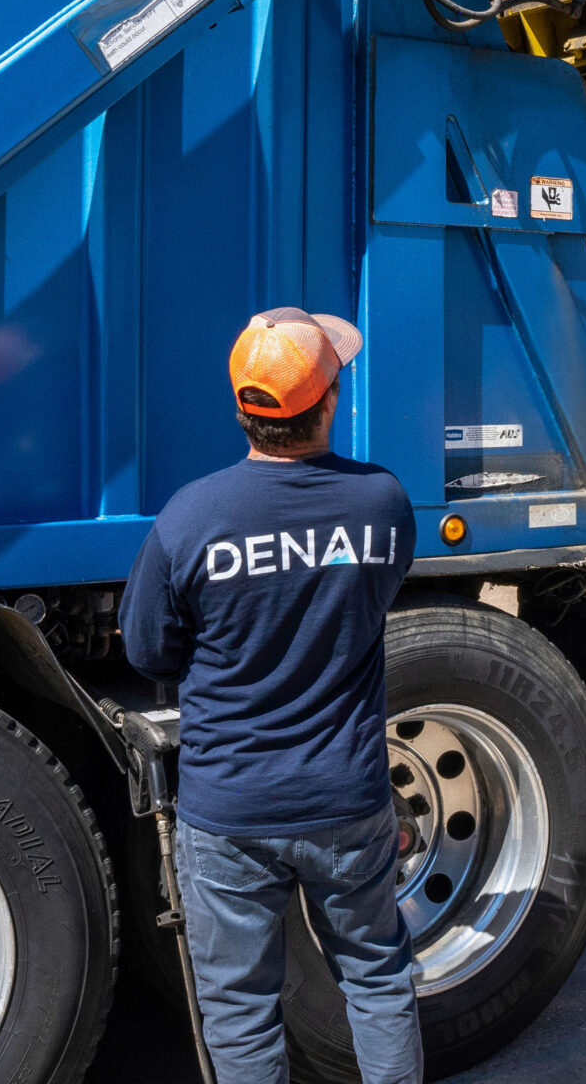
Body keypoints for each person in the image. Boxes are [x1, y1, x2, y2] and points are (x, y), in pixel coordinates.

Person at [123, 307, 422, 1084]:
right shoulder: (381, 503)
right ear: (326, 405)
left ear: (241, 409)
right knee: (378, 978)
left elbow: (150, 648)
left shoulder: (191, 517)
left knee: (241, 1008)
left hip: (230, 811)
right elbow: (375, 597)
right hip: (348, 800)